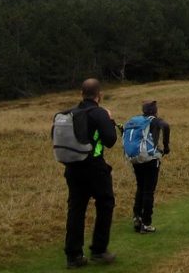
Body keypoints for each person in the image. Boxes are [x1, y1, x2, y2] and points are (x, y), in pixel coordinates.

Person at [63, 79, 118, 268]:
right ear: (99, 95)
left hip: (72, 167)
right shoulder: (99, 113)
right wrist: (109, 120)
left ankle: (73, 255)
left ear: (81, 94)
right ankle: (99, 250)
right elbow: (110, 140)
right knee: (105, 203)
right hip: (94, 166)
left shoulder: (70, 113)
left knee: (76, 209)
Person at [131, 100, 171, 234]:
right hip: (150, 158)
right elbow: (166, 126)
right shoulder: (155, 120)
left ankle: (137, 217)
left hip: (136, 158)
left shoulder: (137, 120)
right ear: (155, 110)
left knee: (140, 187)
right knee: (148, 191)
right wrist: (166, 146)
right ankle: (146, 223)